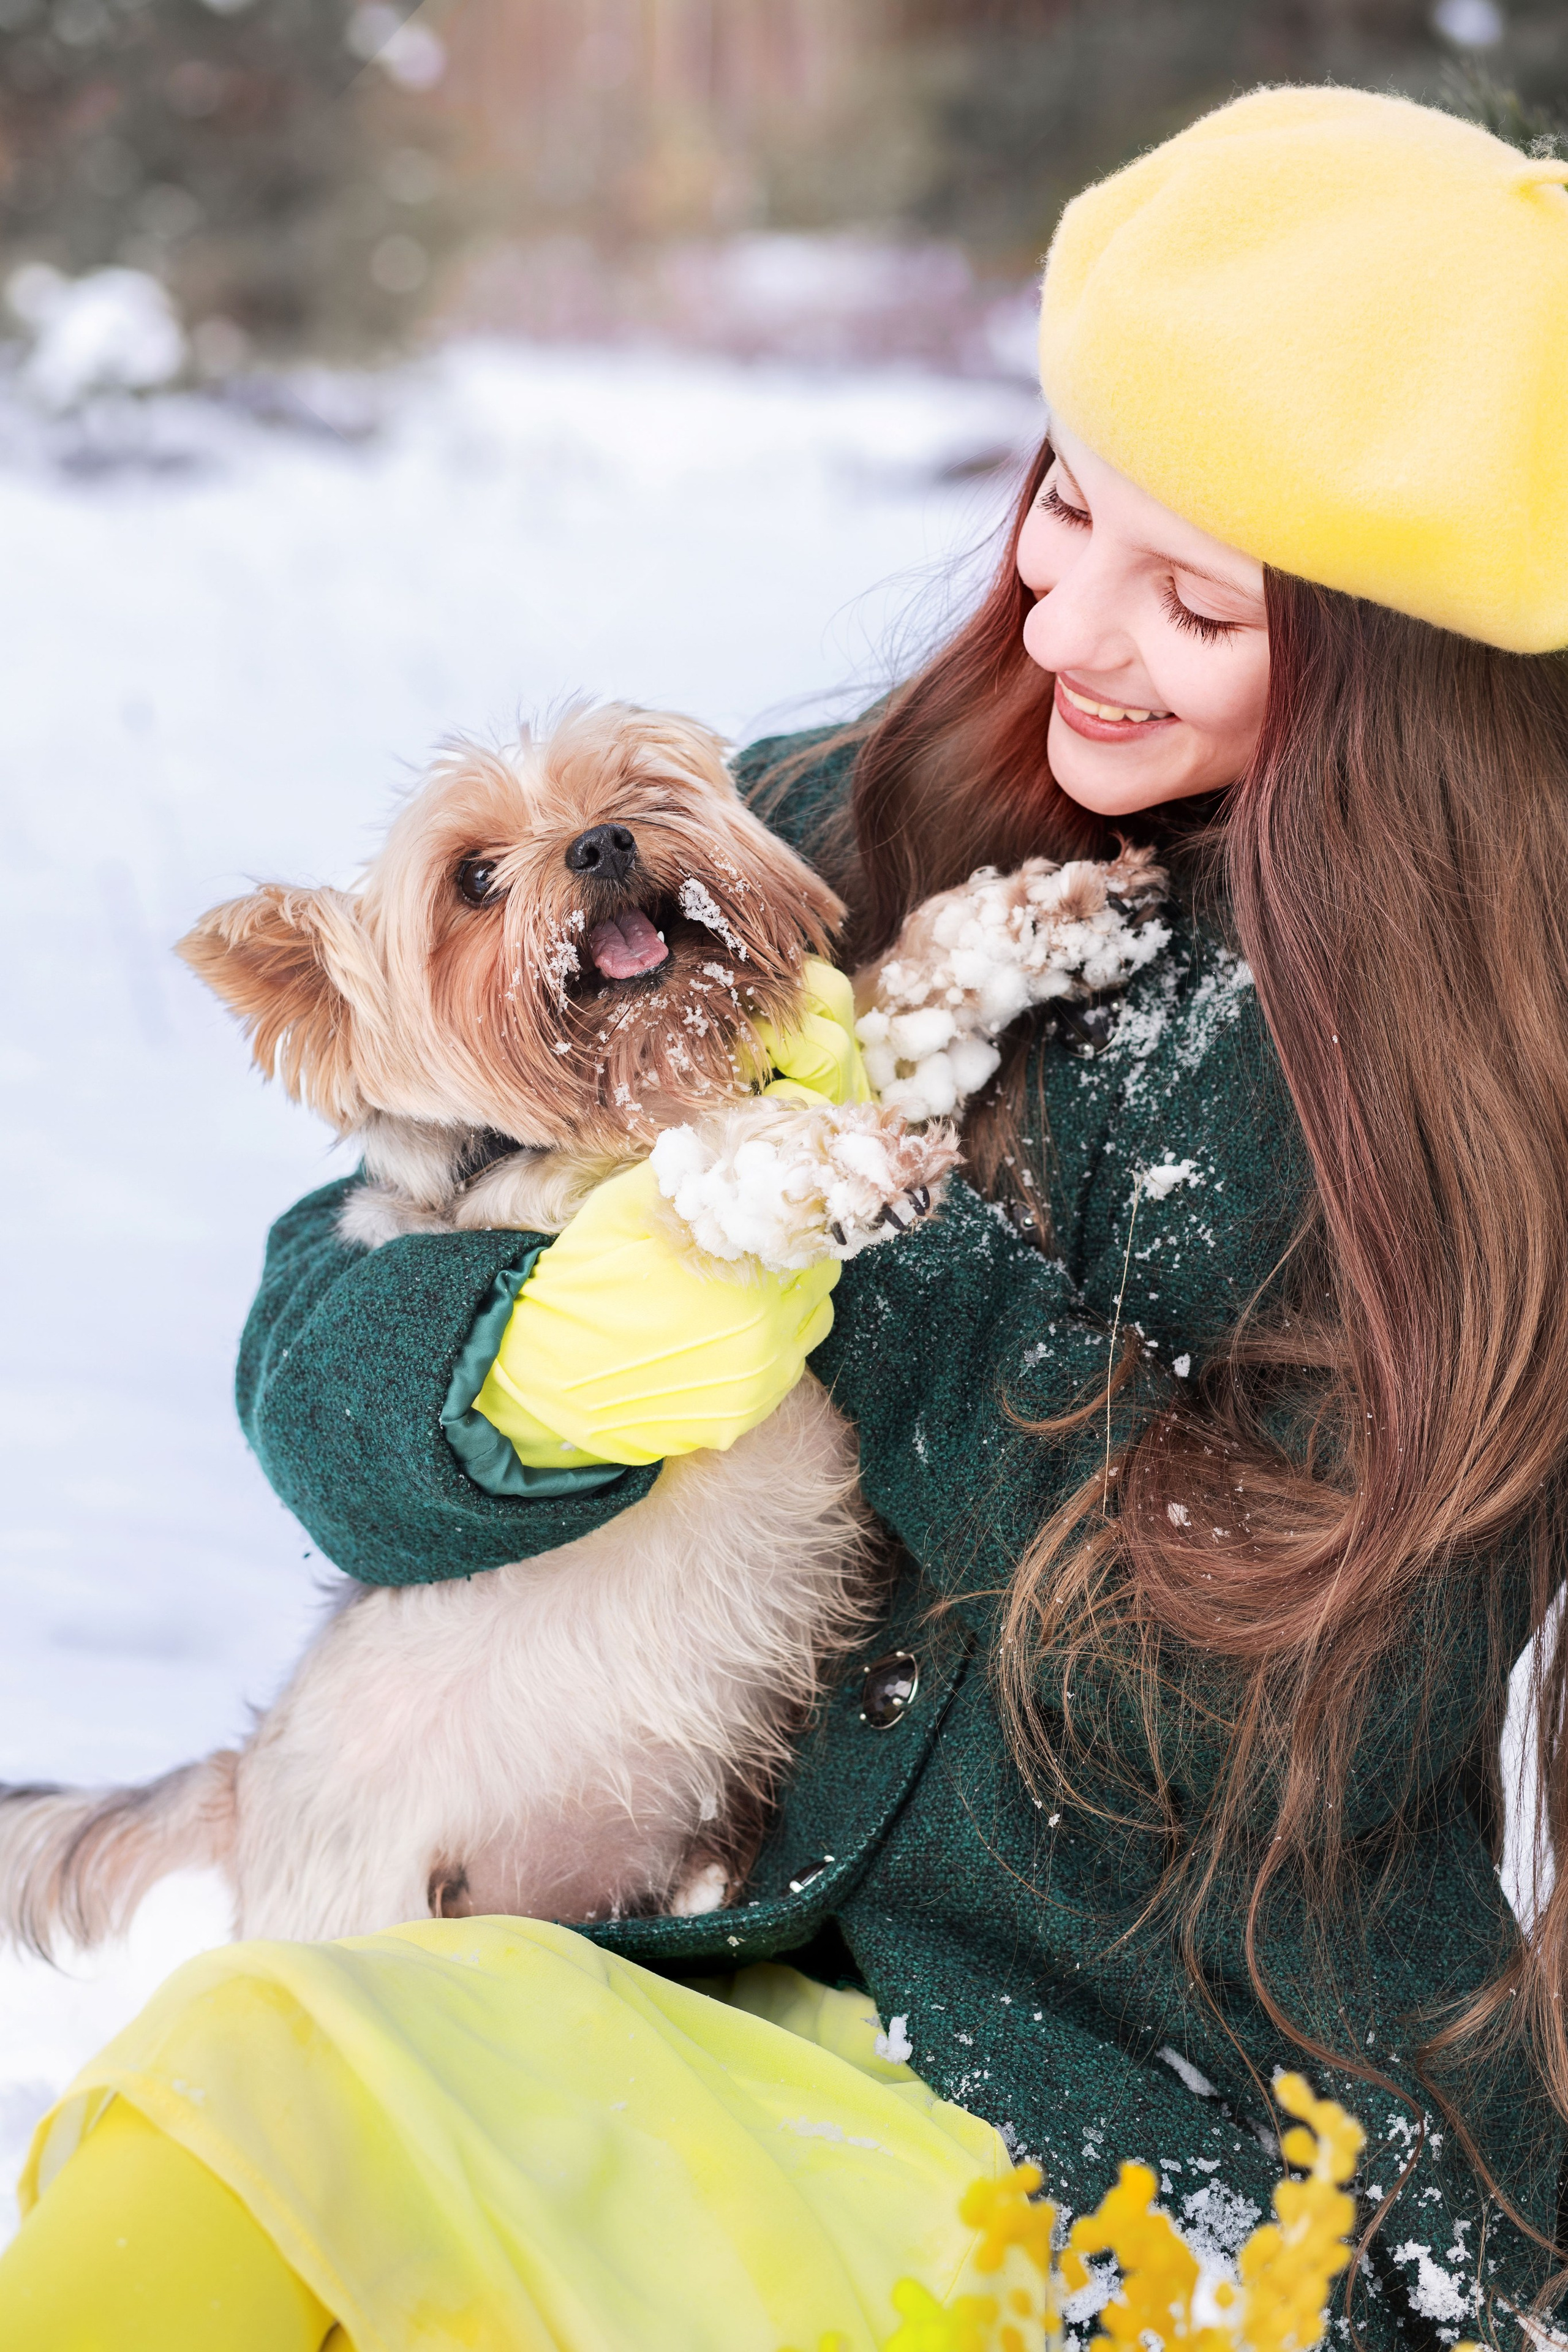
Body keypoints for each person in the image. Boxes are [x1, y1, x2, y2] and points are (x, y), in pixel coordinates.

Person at [5, 82, 1568, 2351]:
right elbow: (323, 1316)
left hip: (1160, 2124)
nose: (1070, 625)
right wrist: (514, 1368)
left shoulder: (1485, 1103)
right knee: (237, 2119)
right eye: (1063, 506)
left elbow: (1269, 1720)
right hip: (723, 1977)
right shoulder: (892, 810)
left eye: (1195, 598)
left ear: (1401, 656)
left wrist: (868, 1260)